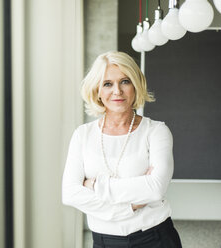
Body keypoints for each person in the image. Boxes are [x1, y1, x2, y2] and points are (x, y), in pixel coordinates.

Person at [62, 51, 182, 248]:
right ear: (97, 90)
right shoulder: (82, 135)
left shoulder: (156, 131)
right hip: (104, 241)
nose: (117, 91)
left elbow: (155, 188)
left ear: (135, 86)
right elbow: (70, 194)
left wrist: (95, 187)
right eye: (107, 84)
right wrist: (132, 206)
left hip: (155, 238)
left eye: (125, 81)